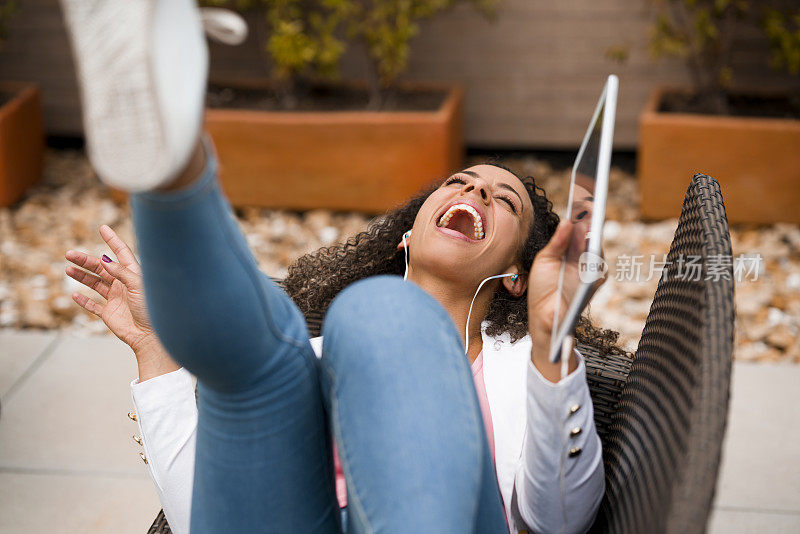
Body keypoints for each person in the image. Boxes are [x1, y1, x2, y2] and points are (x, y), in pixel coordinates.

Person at [61, 0, 622, 532]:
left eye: (503, 200)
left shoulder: (526, 372)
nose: (474, 189)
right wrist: (154, 355)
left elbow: (562, 521)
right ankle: (166, 150)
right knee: (272, 356)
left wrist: (553, 343)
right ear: (406, 235)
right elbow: (202, 518)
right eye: (459, 181)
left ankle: (171, 146)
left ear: (518, 274)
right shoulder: (320, 358)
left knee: (378, 312)